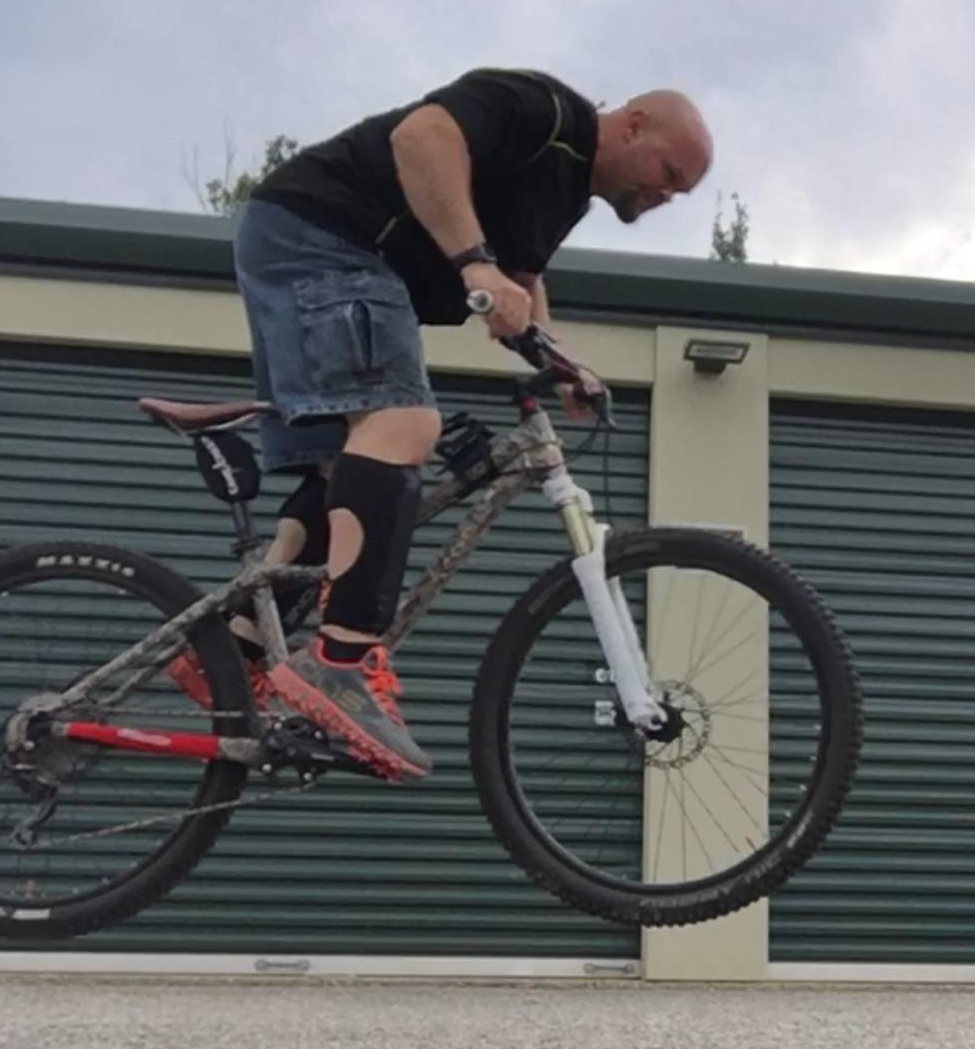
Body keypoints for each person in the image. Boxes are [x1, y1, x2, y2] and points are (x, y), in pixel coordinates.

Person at [227, 67, 713, 781]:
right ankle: (340, 662)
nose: (666, 196)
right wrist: (473, 265)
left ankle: (227, 652)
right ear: (633, 125)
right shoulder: (541, 109)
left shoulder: (563, 190)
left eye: (682, 193)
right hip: (326, 237)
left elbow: (520, 279)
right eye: (669, 174)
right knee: (403, 423)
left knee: (353, 466)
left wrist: (556, 361)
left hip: (312, 244)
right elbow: (423, 136)